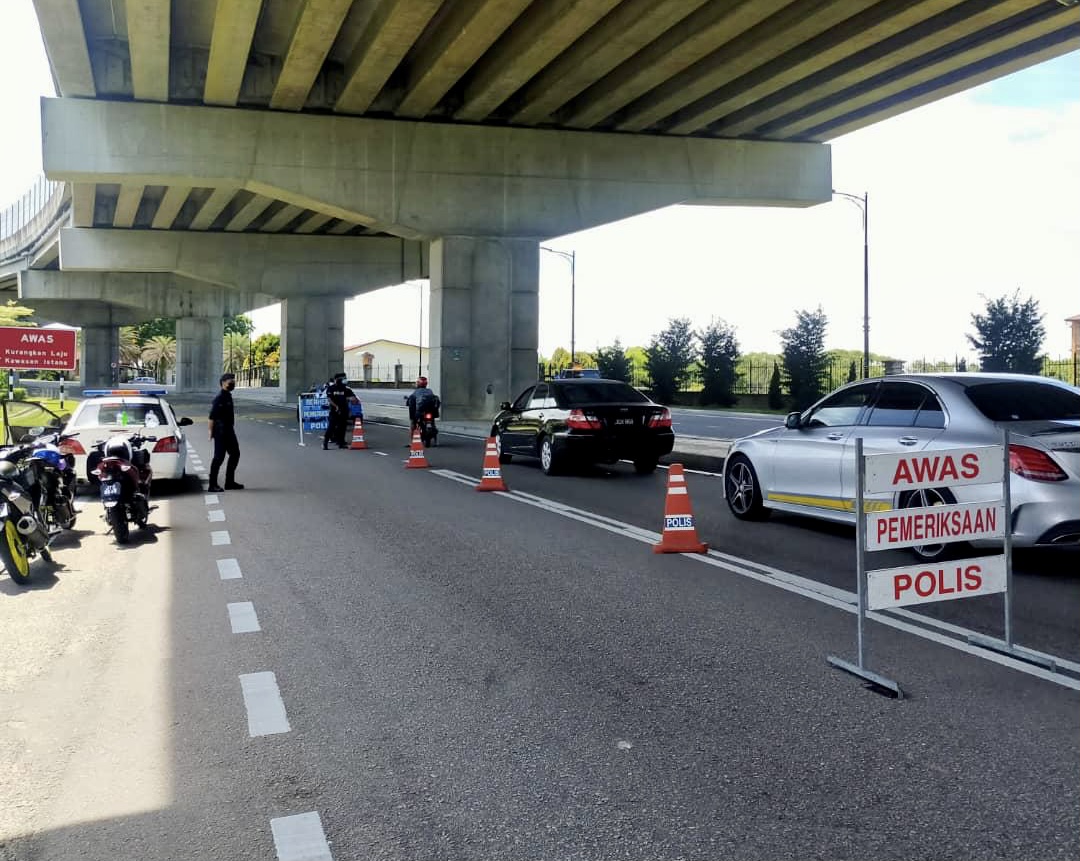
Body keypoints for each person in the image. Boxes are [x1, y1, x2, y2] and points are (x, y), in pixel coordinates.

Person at [208, 372, 243, 492]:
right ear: (223, 383)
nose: (233, 383)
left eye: (233, 381)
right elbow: (212, 417)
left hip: (229, 430)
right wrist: (211, 432)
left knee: (235, 453)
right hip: (220, 431)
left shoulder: (228, 395)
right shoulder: (219, 398)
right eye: (230, 381)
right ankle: (212, 484)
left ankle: (229, 482)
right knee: (219, 457)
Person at [323, 372, 355, 450]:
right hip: (334, 411)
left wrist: (347, 399)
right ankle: (325, 443)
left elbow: (353, 398)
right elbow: (329, 399)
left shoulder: (346, 389)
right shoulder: (331, 388)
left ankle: (341, 443)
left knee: (342, 428)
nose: (345, 380)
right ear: (338, 379)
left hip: (344, 411)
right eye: (344, 379)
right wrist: (336, 406)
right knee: (331, 427)